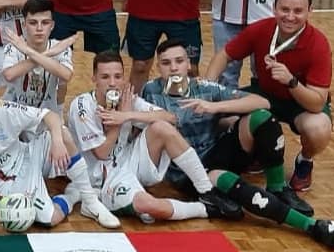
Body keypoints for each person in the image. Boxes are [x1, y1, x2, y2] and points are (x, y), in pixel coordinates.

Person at [143, 40, 334, 249]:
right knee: (229, 182)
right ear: (158, 67)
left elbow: (262, 102)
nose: (173, 67)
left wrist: (214, 107)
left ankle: (277, 188)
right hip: (189, 173)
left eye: (179, 61)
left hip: (216, 152)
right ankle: (311, 226)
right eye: (166, 63)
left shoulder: (203, 87)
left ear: (188, 64)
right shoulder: (149, 92)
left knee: (262, 117)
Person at [0, 62, 120, 229]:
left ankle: (91, 202)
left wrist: (56, 140)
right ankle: (73, 195)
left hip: (26, 163)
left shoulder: (3, 109)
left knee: (62, 133)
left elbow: (51, 116)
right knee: (51, 219)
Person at [69, 51, 243, 223]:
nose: (113, 83)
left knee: (162, 127)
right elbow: (102, 153)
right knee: (149, 206)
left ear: (124, 78)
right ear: (94, 79)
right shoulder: (82, 106)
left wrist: (129, 115)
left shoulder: (127, 99)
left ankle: (206, 192)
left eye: (118, 76)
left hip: (129, 161)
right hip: (102, 179)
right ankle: (205, 210)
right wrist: (119, 118)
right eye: (105, 77)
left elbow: (171, 118)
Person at [206, 0, 331, 193]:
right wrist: (207, 87)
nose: (290, 16)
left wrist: (291, 82)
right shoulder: (261, 29)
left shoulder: (318, 44)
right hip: (264, 95)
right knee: (220, 115)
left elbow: (318, 102)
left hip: (301, 102)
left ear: (310, 10)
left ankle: (305, 161)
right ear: (274, 7)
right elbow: (224, 55)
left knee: (318, 129)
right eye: (284, 9)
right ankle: (256, 151)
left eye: (298, 11)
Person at [1, 0, 76, 112]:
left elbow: (66, 75)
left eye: (45, 23)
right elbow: (9, 75)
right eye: (33, 23)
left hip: (46, 116)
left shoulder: (59, 48)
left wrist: (28, 51)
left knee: (63, 130)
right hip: (14, 114)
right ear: (24, 24)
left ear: (52, 25)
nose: (39, 28)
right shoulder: (14, 46)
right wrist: (48, 54)